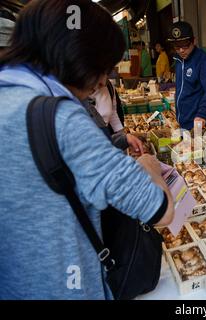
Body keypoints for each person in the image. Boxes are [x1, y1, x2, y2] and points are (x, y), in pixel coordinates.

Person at [0, 0, 174, 299]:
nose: (103, 81)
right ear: (80, 57)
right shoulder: (62, 119)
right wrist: (148, 165)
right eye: (103, 68)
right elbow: (161, 210)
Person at [167, 21, 206, 130]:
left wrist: (202, 114)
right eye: (177, 47)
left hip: (199, 125)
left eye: (185, 46)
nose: (181, 50)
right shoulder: (178, 59)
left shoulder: (203, 61)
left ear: (193, 41)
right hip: (183, 123)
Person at [86, 80, 144, 154]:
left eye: (107, 74)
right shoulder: (73, 100)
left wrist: (123, 136)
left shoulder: (109, 87)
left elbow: (113, 112)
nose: (104, 82)